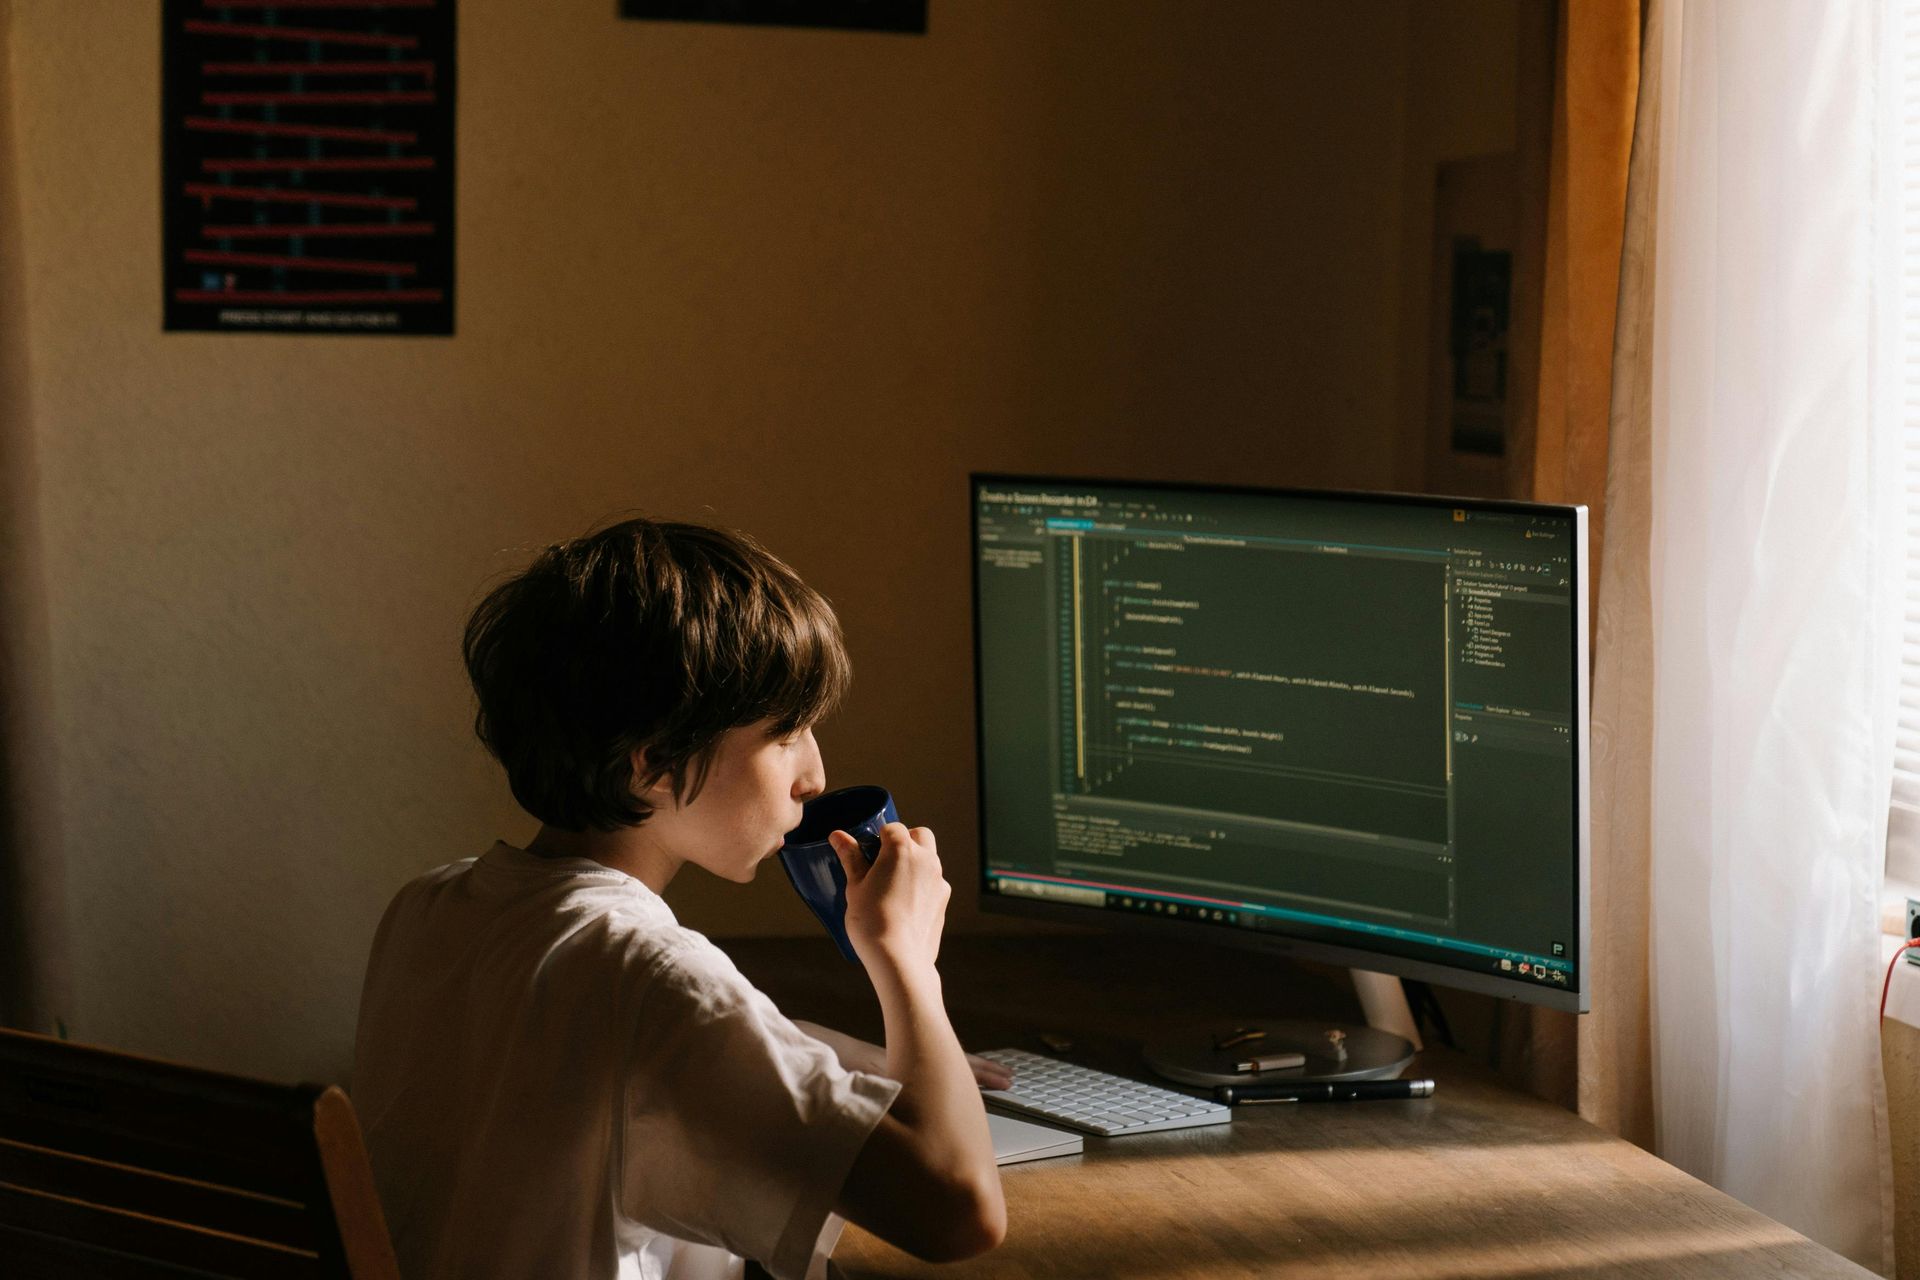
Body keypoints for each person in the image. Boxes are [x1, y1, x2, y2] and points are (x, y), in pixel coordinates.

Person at [352, 517, 1008, 1280]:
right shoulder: (651, 979)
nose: (816, 775)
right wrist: (908, 966)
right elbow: (960, 1211)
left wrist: (831, 1050)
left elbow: (593, 1039)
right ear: (655, 765)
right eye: (788, 731)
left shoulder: (431, 907)